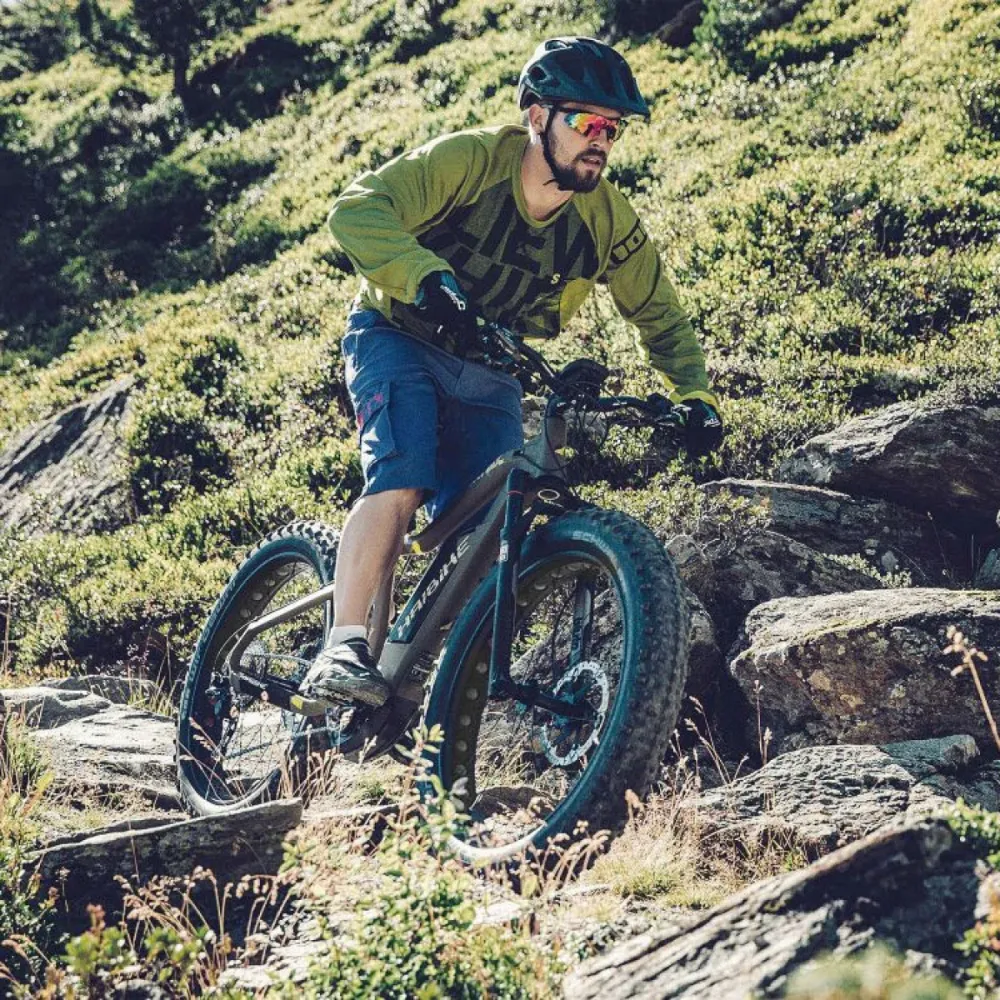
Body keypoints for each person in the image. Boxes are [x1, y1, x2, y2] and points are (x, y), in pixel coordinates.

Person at [301, 36, 723, 708]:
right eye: (585, 122)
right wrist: (424, 277)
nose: (600, 141)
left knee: (491, 532)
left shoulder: (606, 220)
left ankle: (419, 677)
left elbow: (660, 316)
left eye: (612, 129)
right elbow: (356, 209)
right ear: (536, 116)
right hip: (397, 335)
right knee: (402, 474)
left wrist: (693, 395)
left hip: (491, 368)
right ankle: (343, 645)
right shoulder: (470, 163)